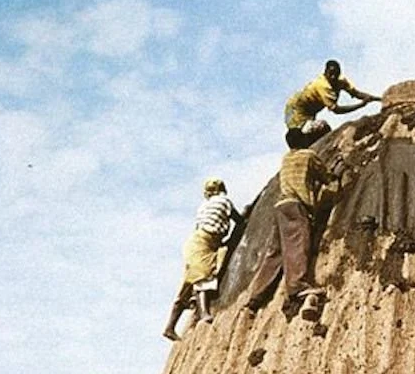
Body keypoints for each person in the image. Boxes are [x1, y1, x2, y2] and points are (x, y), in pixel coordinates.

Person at [243, 128, 341, 320]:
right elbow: (324, 176)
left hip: (280, 206)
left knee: (275, 252)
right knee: (298, 245)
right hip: (297, 206)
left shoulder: (286, 158)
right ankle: (298, 286)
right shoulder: (309, 155)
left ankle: (255, 296)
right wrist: (336, 173)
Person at [162, 178, 243, 341]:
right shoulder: (223, 201)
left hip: (199, 242)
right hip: (204, 242)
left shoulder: (204, 205)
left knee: (188, 285)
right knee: (204, 276)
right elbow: (238, 219)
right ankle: (204, 312)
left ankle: (170, 327)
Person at [284, 60, 380, 138]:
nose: (333, 77)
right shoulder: (322, 86)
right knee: (305, 134)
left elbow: (357, 93)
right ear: (325, 72)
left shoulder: (340, 81)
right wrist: (361, 105)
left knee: (315, 131)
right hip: (295, 110)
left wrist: (377, 99)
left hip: (310, 112)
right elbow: (336, 110)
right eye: (330, 74)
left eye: (336, 74)